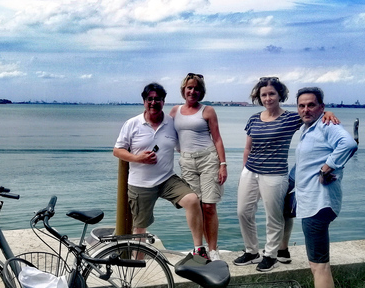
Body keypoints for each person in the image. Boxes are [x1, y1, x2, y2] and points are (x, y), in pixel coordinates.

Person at [234, 77, 338, 272]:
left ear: (279, 95)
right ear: (259, 97)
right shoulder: (254, 118)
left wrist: (328, 112)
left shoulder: (291, 118)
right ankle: (252, 251)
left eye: (271, 93)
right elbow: (248, 148)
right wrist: (244, 171)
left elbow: (314, 114)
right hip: (250, 171)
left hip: (275, 175)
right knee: (243, 212)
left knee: (273, 217)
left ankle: (271, 255)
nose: (268, 98)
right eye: (263, 95)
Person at [113, 82, 207, 257]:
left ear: (163, 102)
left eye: (158, 99)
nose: (153, 103)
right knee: (140, 228)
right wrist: (137, 158)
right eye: (150, 99)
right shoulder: (132, 124)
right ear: (144, 101)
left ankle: (199, 249)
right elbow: (117, 151)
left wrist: (211, 161)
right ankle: (137, 266)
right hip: (140, 184)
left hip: (166, 179)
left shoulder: (171, 123)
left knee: (193, 200)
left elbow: (187, 141)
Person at [295, 87, 357, 288]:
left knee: (319, 265)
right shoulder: (309, 128)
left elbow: (348, 144)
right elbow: (306, 162)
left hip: (318, 203)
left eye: (311, 104)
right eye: (301, 105)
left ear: (322, 107)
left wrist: (327, 168)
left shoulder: (326, 125)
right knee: (318, 263)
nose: (305, 109)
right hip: (310, 201)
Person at [170, 73, 227, 261]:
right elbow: (163, 134)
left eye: (196, 88)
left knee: (209, 206)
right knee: (196, 207)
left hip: (208, 159)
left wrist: (223, 165)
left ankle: (213, 250)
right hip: (186, 162)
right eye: (189, 87)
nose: (192, 91)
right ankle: (199, 248)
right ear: (183, 90)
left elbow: (217, 138)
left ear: (201, 91)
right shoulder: (174, 112)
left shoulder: (207, 111)